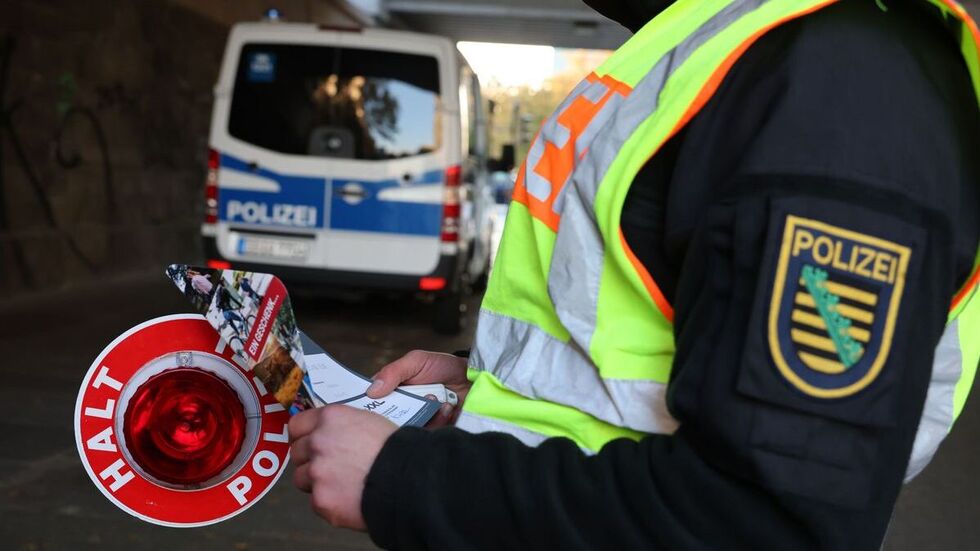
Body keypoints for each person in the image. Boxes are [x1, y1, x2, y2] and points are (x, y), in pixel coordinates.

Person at [287, 0, 980, 548]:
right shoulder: (728, 36)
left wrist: (406, 481)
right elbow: (659, 333)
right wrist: (497, 378)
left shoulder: (839, 83)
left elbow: (775, 520)